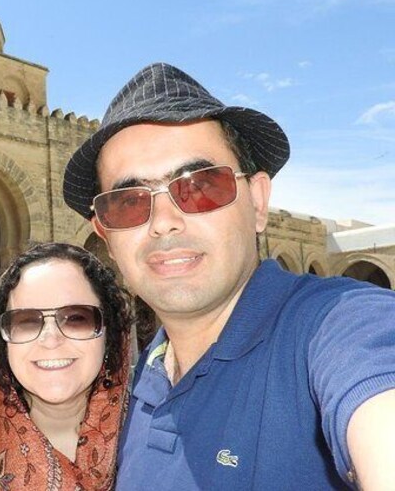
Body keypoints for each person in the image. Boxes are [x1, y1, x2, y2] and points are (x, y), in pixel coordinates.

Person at [62, 63, 395, 490]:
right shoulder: (143, 377)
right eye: (128, 203)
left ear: (257, 202)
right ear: (106, 235)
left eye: (200, 186)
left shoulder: (334, 324)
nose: (164, 222)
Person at [0, 242, 133, 490]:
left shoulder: (150, 436)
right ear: (1, 341)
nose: (51, 339)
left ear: (108, 331)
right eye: (27, 321)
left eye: (76, 318)